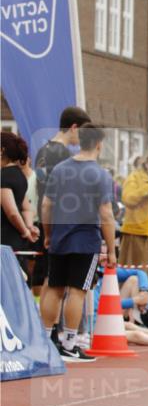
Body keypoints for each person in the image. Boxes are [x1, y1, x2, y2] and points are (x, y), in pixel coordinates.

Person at [40, 124, 115, 362]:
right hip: (85, 239)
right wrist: (111, 249)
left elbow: (46, 205)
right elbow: (106, 214)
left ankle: (45, 340)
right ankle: (70, 344)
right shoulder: (101, 175)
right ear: (99, 144)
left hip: (60, 236)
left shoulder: (61, 169)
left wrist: (48, 233)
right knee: (77, 291)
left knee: (54, 288)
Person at [31, 105, 92, 294]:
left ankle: (43, 320)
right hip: (60, 221)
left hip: (44, 217)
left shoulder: (43, 150)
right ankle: (52, 322)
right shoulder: (64, 155)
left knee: (43, 272)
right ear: (74, 127)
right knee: (57, 280)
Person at [1, 132, 39, 273]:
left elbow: (12, 212)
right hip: (17, 242)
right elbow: (27, 208)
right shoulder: (20, 175)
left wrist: (25, 232)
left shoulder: (3, 177)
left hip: (4, 243)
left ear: (2, 150)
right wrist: (28, 226)